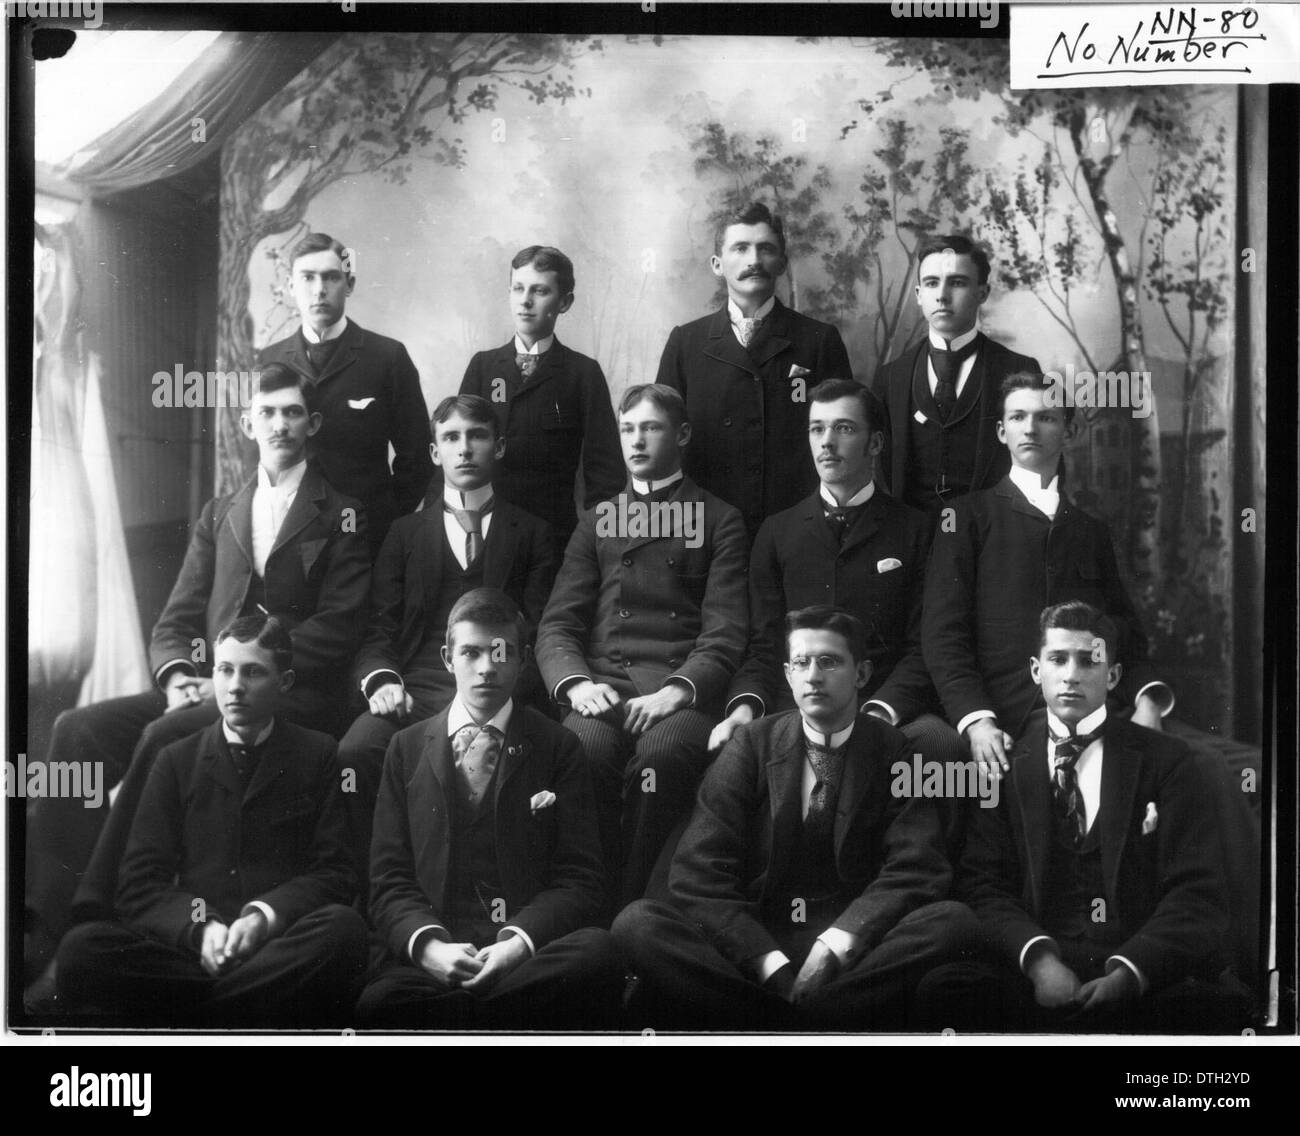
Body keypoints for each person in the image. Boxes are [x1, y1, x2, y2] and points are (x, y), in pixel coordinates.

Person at [26, 364, 370, 987]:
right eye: (266, 412)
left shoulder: (343, 513)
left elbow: (341, 626)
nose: (279, 423)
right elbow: (180, 612)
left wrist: (235, 675)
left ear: (312, 423)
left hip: (289, 693)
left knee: (165, 737)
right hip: (212, 683)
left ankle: (94, 911)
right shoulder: (222, 512)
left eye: (292, 411)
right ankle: (45, 920)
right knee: (78, 729)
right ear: (247, 423)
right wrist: (180, 673)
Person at [612, 605, 972, 1031]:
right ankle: (812, 1020)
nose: (813, 676)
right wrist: (769, 963)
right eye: (801, 663)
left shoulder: (895, 750)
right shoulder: (751, 744)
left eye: (830, 661)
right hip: (756, 938)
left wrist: (834, 946)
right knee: (636, 924)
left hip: (850, 945)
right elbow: (698, 871)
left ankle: (771, 1022)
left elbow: (916, 868)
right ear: (786, 674)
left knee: (954, 922)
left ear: (862, 674)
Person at [914, 601, 1243, 1033]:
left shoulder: (1168, 760)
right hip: (1039, 967)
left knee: (1220, 1010)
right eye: (1058, 659)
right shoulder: (1005, 764)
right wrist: (1040, 963)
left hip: (1136, 963)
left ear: (1113, 676)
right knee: (944, 991)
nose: (1071, 674)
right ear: (1037, 671)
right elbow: (983, 884)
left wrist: (1129, 973)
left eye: (1089, 661)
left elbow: (1197, 890)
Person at [55, 615, 369, 1027]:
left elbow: (335, 872)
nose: (235, 686)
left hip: (278, 943)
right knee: (82, 951)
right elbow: (139, 884)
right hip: (195, 951)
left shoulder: (319, 755)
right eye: (224, 670)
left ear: (285, 683)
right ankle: (239, 1012)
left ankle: (196, 1020)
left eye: (253, 672)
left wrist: (262, 917)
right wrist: (200, 929)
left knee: (344, 932)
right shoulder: (175, 760)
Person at [357, 589, 622, 1029]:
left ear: (522, 659)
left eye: (501, 653)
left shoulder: (559, 746)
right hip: (438, 959)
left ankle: (465, 1024)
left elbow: (580, 877)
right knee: (376, 1003)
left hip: (521, 958)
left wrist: (517, 942)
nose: (486, 668)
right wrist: (430, 949)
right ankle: (497, 1023)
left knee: (599, 955)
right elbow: (388, 878)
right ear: (447, 658)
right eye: (471, 652)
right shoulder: (404, 748)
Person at [536, 383, 749, 904]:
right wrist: (577, 685)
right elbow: (557, 623)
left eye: (650, 428)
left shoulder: (718, 518)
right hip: (604, 689)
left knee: (662, 757)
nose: (636, 440)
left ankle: (638, 906)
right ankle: (585, 901)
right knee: (582, 750)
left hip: (676, 691)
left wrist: (678, 691)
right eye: (627, 428)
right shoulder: (601, 517)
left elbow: (724, 630)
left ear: (681, 435)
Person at [338, 394, 556, 889]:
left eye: (477, 436)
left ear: (498, 446)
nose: (464, 449)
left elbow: (540, 629)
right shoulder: (404, 534)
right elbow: (378, 627)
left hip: (496, 684)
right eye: (451, 438)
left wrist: (502, 686)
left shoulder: (534, 533)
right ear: (435, 453)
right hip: (417, 687)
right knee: (356, 751)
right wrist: (384, 680)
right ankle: (370, 893)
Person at [923, 371, 1172, 779]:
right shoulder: (966, 518)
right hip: (1006, 722)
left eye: (1046, 417)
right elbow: (942, 635)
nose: (1031, 428)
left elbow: (1123, 629)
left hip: (1093, 715)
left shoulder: (1089, 530)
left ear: (1069, 430)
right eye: (1018, 417)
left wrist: (1147, 701)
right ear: (1002, 432)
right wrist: (977, 719)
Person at [709, 379, 959, 774]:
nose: (826, 442)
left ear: (875, 444)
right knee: (747, 749)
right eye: (816, 428)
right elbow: (764, 645)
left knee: (940, 746)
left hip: (884, 703)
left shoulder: (916, 530)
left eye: (843, 428)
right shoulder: (777, 532)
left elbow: (922, 646)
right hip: (797, 702)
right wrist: (745, 706)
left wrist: (879, 712)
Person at [655, 201, 852, 537]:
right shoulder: (686, 342)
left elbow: (844, 437)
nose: (754, 261)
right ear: (718, 264)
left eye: (765, 249)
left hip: (797, 523)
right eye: (740, 248)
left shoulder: (818, 340)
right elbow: (662, 441)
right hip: (705, 525)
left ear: (782, 263)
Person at [259, 231, 432, 554]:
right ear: (291, 287)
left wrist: (386, 521)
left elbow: (418, 458)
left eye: (331, 277)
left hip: (366, 538)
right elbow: (256, 452)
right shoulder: (268, 360)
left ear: (349, 285)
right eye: (307, 278)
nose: (319, 289)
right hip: (289, 535)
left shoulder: (387, 357)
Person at [457, 245, 624, 554]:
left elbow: (605, 474)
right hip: (486, 534)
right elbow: (456, 451)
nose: (525, 300)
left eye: (540, 290)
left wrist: (593, 544)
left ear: (564, 302)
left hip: (555, 538)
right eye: (518, 288)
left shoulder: (582, 374)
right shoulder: (483, 367)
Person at [872, 234, 1040, 517]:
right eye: (932, 283)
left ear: (982, 293)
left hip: (992, 540)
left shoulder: (1018, 371)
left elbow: (1040, 467)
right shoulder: (891, 377)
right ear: (918, 295)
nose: (942, 295)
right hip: (912, 542)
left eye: (958, 282)